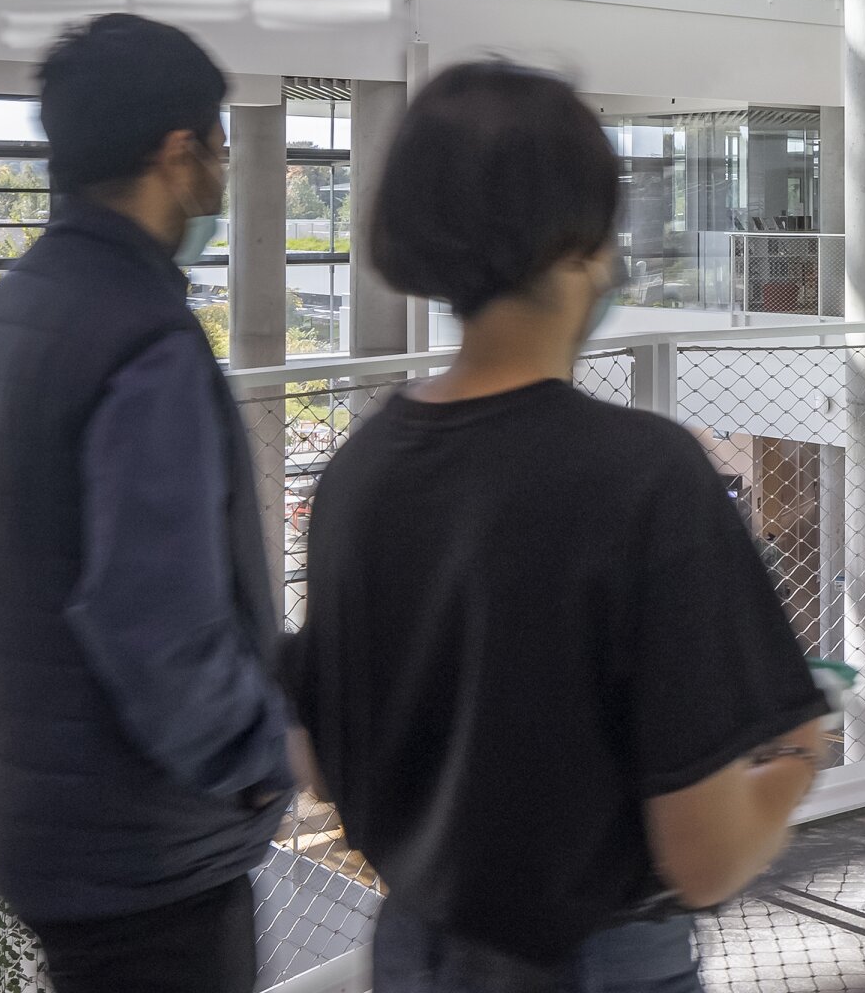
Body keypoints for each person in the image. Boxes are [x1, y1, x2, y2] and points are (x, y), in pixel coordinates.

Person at [288, 62, 832, 992]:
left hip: (414, 952)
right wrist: (799, 759)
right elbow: (706, 860)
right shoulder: (644, 477)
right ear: (578, 247)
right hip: (595, 962)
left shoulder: (358, 474)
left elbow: (322, 768)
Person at [0, 14, 290, 993]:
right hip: (143, 840)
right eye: (220, 142)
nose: (225, 168)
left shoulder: (11, 309)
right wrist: (261, 759)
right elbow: (154, 618)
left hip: (33, 798)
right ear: (177, 151)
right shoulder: (146, 338)